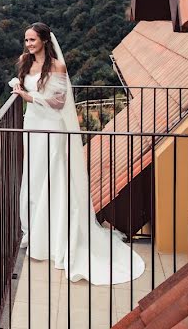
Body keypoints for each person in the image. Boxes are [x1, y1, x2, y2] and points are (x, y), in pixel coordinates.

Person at [9, 22, 144, 285]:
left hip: (51, 126)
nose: (28, 44)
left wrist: (28, 96)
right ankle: (37, 233)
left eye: (33, 40)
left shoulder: (57, 67)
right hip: (32, 126)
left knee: (54, 178)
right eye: (26, 40)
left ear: (45, 41)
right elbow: (26, 86)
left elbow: (58, 104)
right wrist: (19, 87)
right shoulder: (25, 62)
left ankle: (56, 237)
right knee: (35, 178)